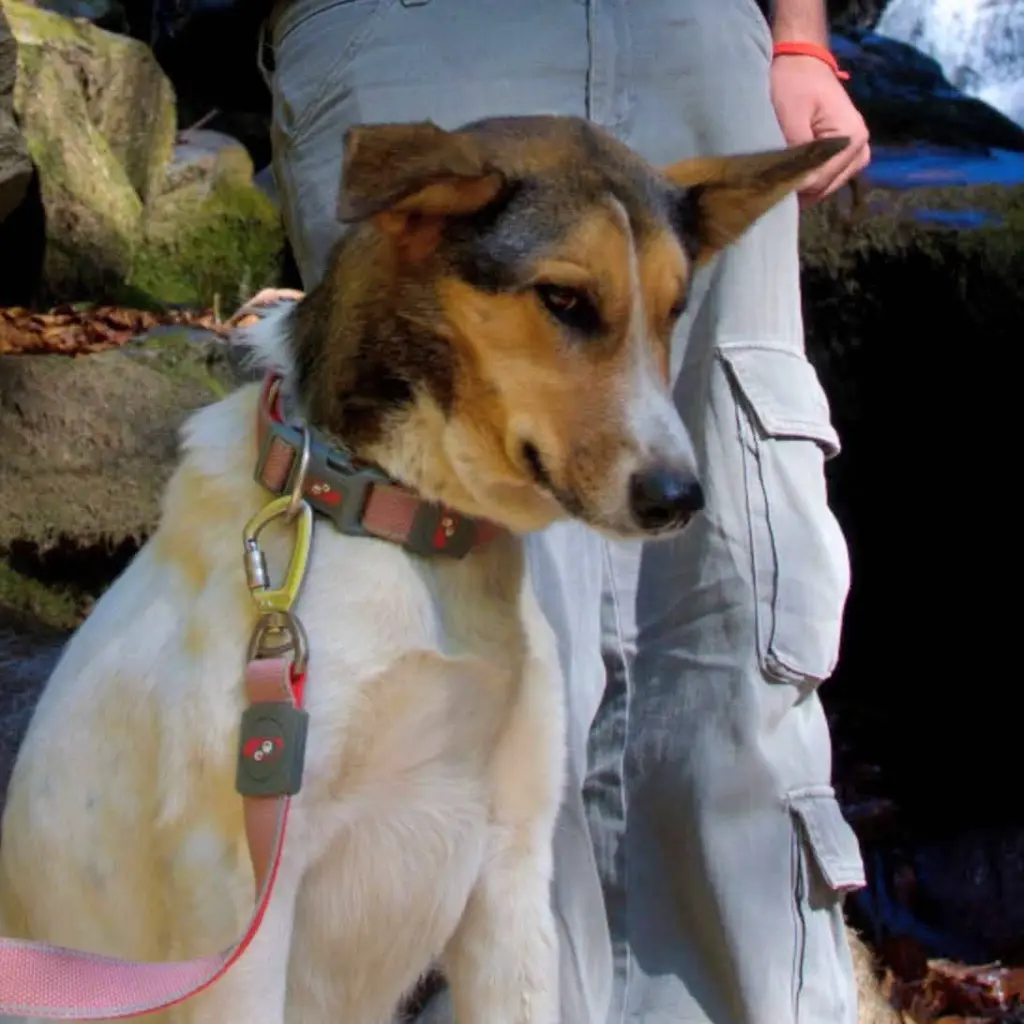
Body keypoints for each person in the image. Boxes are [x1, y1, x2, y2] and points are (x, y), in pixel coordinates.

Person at [255, 1, 871, 1021]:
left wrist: (801, 35)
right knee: (469, 687)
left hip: (696, 39)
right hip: (425, 41)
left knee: (736, 610)